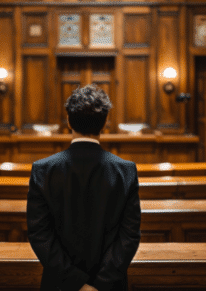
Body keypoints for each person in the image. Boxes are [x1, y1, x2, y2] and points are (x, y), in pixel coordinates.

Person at [27, 84, 141, 291]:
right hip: (110, 286)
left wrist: (76, 283)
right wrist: (100, 284)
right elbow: (129, 236)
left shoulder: (43, 170)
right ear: (105, 123)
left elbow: (40, 235)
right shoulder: (126, 171)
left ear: (69, 121)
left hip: (60, 285)